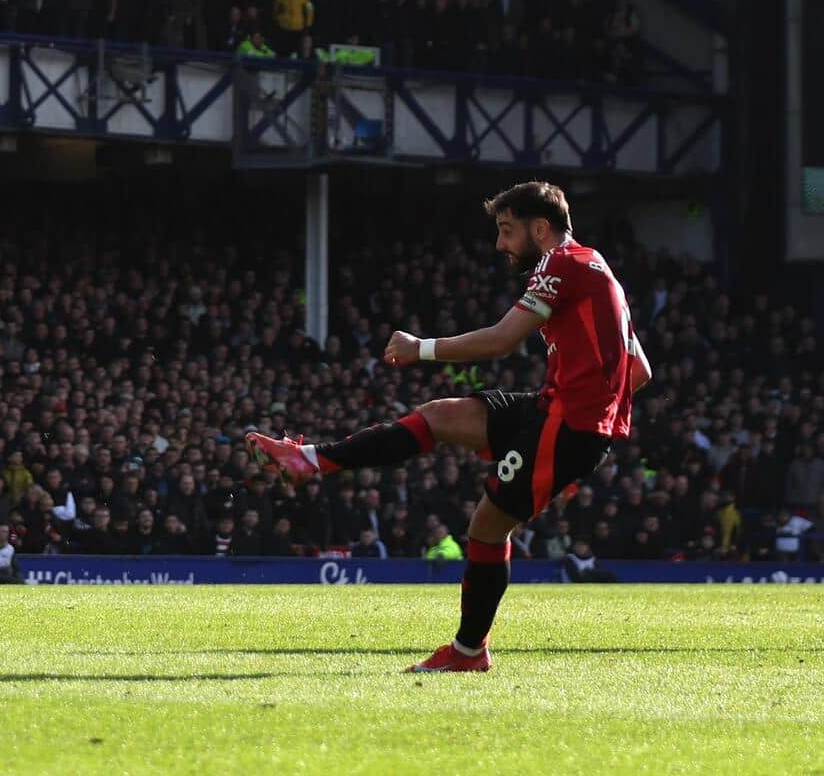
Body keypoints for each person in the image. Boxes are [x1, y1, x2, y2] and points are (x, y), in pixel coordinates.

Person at [249, 181, 650, 672]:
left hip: (568, 421)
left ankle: (468, 651)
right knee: (441, 415)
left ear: (540, 228)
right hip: (562, 410)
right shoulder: (598, 267)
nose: (501, 244)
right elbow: (640, 371)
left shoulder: (559, 262)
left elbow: (503, 339)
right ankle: (310, 459)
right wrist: (599, 408)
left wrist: (421, 347)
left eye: (507, 231)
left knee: (486, 524)